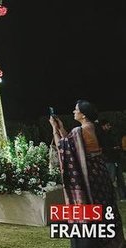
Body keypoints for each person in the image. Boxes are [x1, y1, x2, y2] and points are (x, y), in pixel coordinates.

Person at [50, 100, 125, 248]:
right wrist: (62, 128)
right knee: (104, 208)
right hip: (100, 175)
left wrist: (54, 129)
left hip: (88, 177)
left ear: (83, 115)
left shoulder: (81, 130)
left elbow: (63, 147)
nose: (73, 112)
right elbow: (71, 143)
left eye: (76, 109)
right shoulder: (93, 127)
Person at [99, 120, 126, 200]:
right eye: (107, 125)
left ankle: (122, 196)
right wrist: (112, 149)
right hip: (108, 159)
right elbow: (102, 148)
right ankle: (112, 196)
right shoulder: (101, 136)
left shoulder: (112, 134)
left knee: (120, 179)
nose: (109, 127)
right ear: (103, 126)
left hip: (115, 158)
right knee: (111, 179)